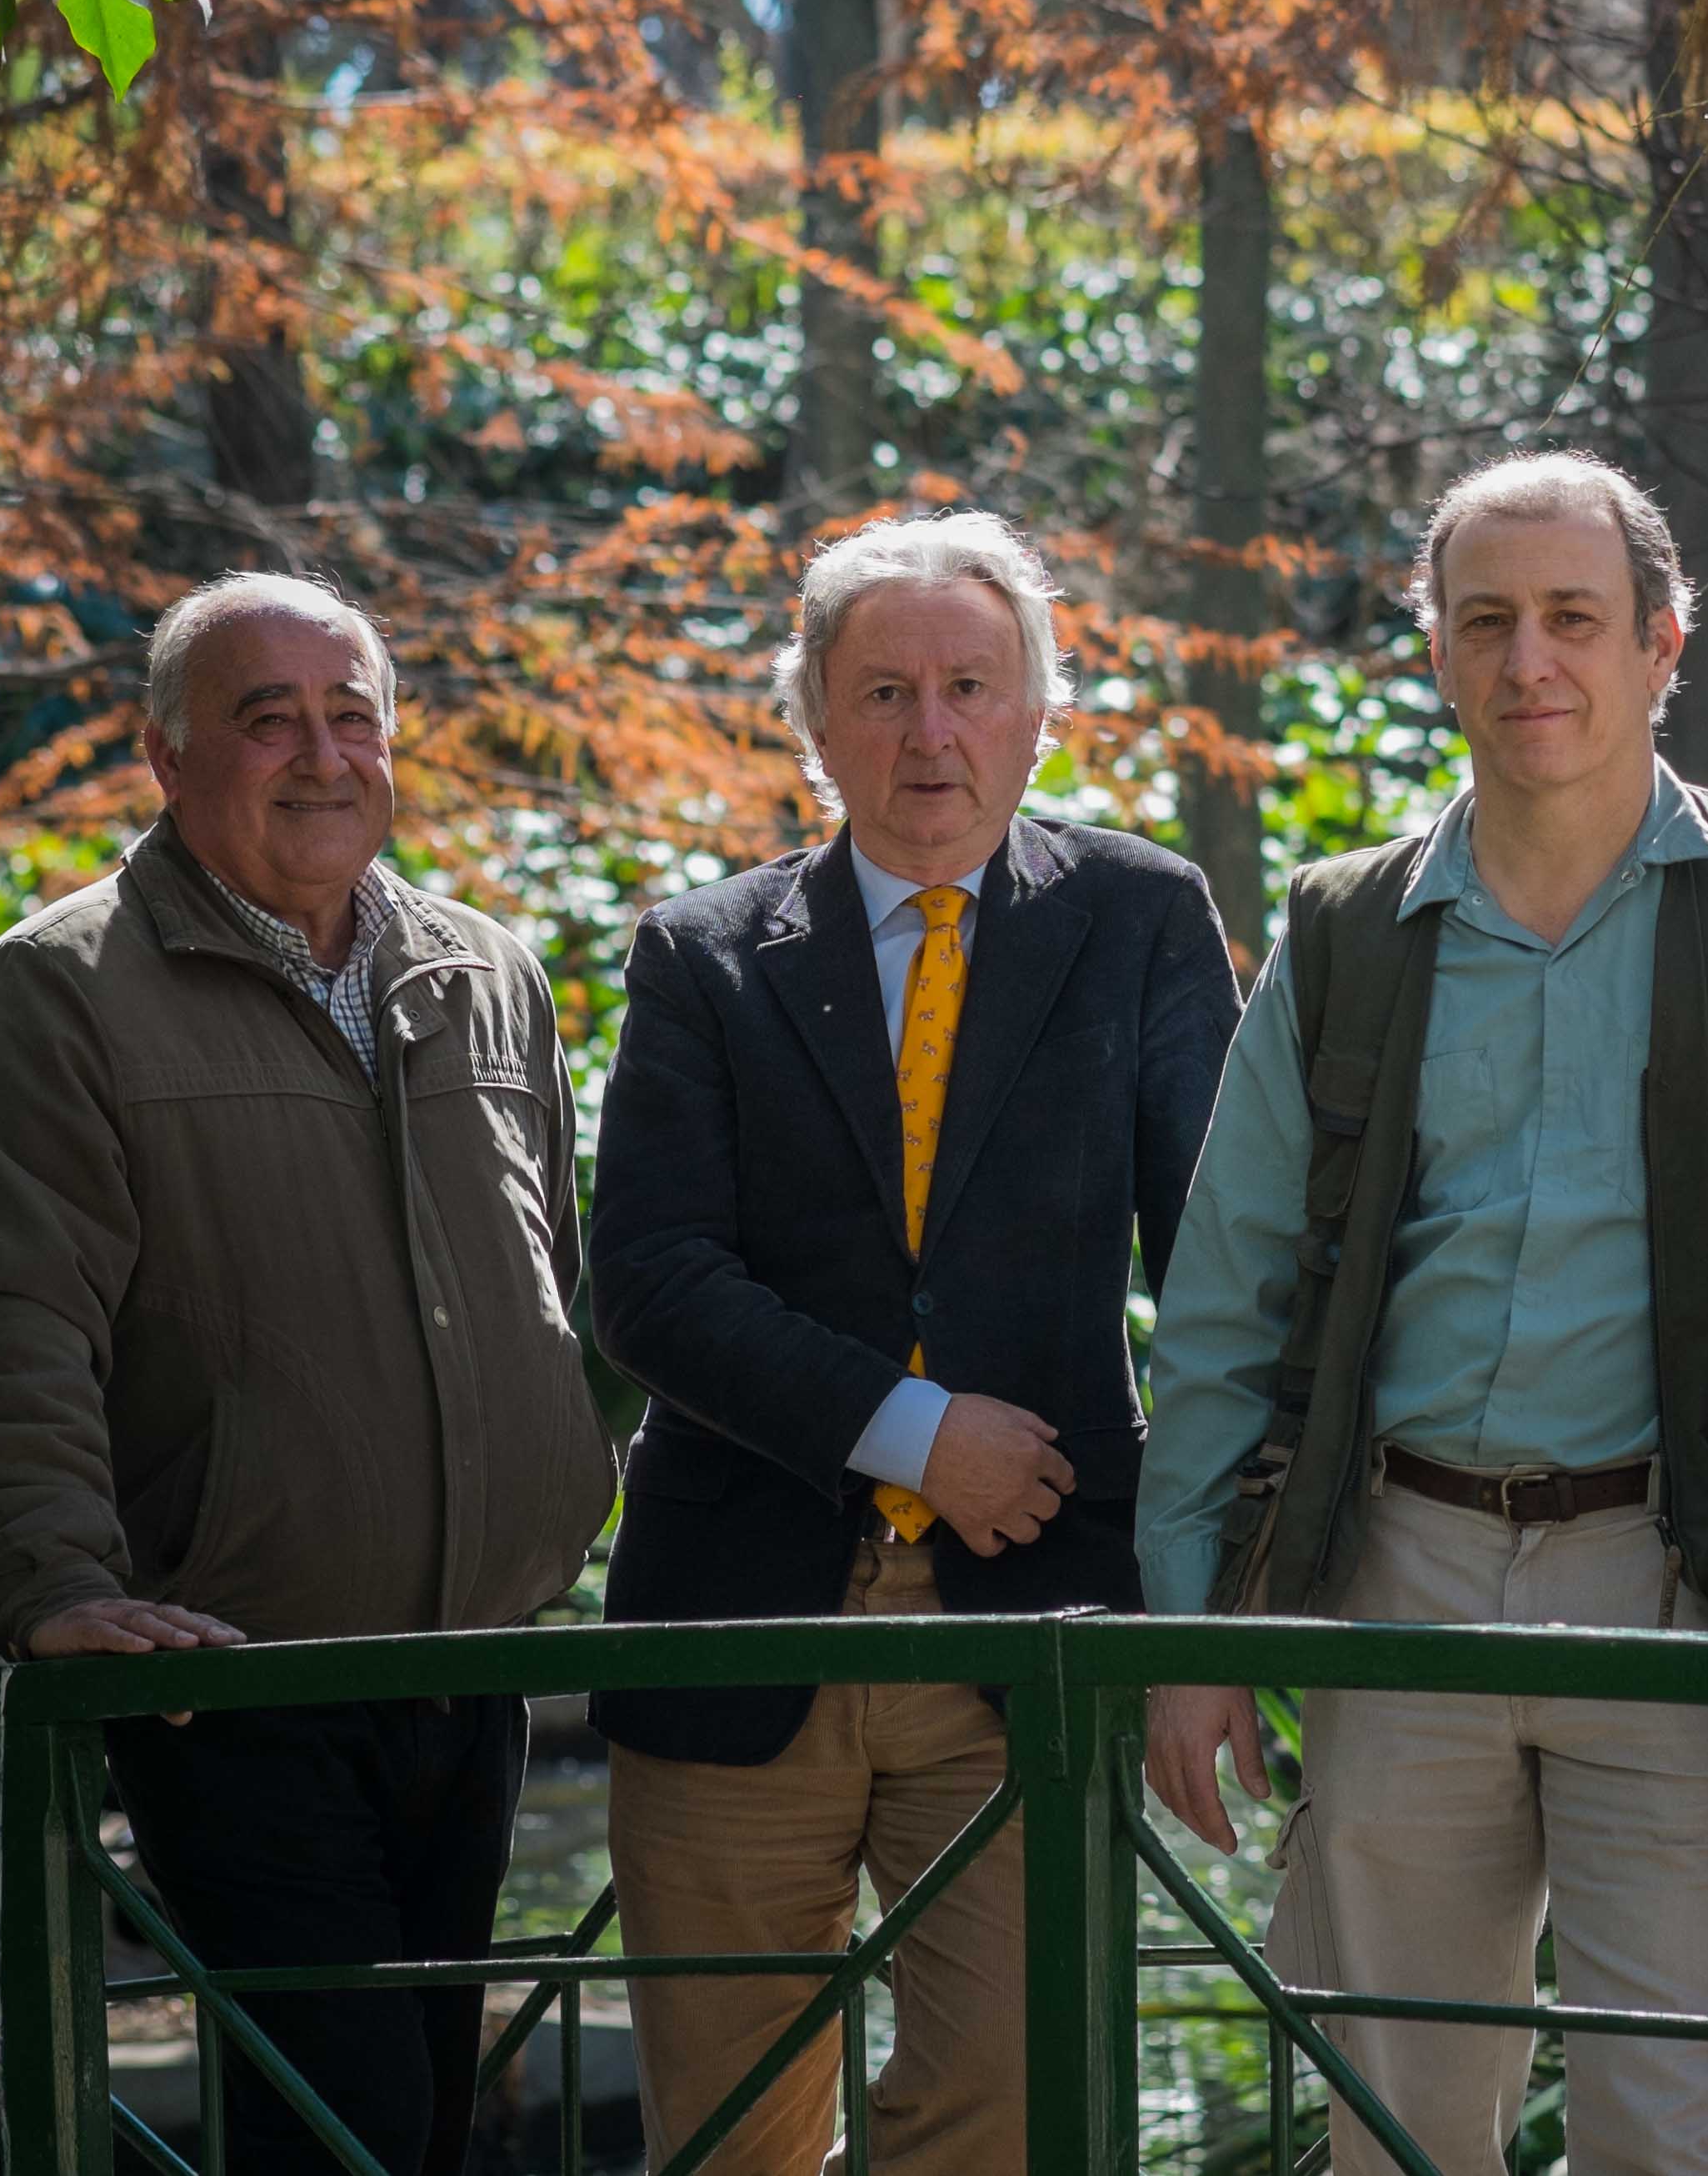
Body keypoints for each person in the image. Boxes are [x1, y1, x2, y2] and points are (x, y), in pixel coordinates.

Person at [1135, 452, 1708, 2176]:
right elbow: (1223, 1300)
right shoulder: (1343, 934)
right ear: (1435, 653)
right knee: (1393, 2137)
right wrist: (1192, 1627)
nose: (1528, 660)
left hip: (1685, 1586)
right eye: (1485, 621)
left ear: (1660, 643)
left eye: (1570, 618)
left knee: (1682, 2140)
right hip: (1398, 1587)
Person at [0, 571, 617, 2176]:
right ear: (165, 755)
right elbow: (0, 1319)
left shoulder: (486, 973)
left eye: (350, 714)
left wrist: (556, 1499)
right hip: (234, 1674)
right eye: (266, 718)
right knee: (338, 2124)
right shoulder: (63, 990)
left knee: (430, 2113)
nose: (320, 752)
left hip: (475, 1666)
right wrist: (51, 1582)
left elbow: (548, 1272)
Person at [587, 511, 1238, 2176]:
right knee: (728, 2137)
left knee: (1000, 2128)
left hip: (1028, 1638)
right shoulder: (702, 953)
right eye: (881, 692)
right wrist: (906, 1427)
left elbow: (1223, 1275)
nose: (928, 732)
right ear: (813, 721)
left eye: (968, 685)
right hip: (735, 1628)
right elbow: (650, 1277)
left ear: (1035, 713)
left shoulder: (1143, 919)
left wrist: (1199, 1613)